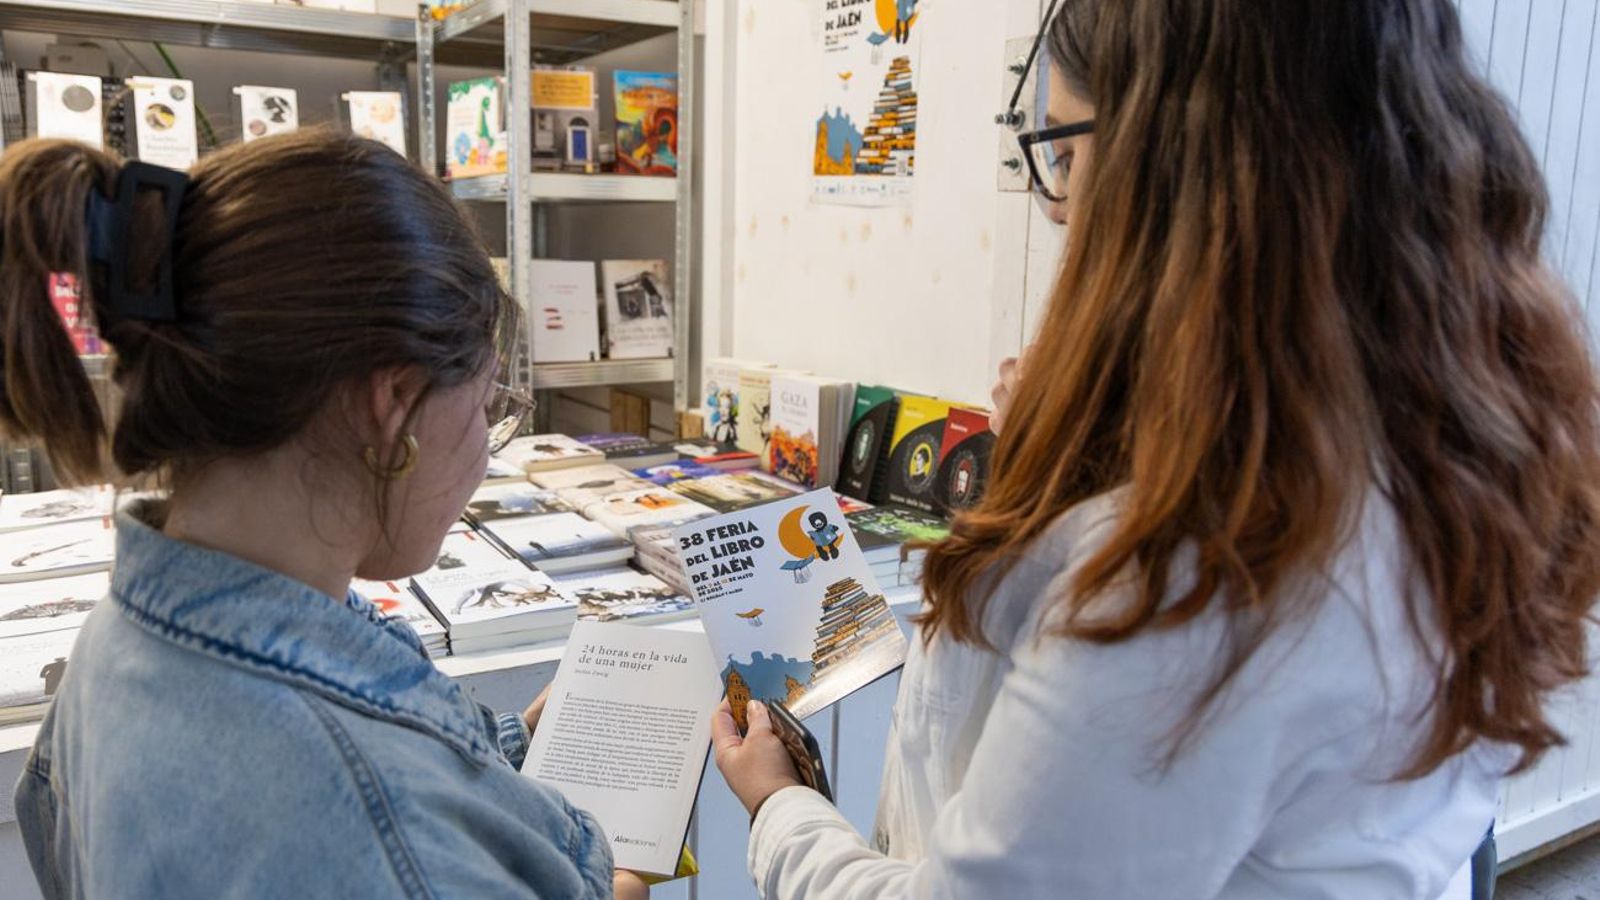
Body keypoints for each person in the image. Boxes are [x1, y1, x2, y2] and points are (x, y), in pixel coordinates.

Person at [712, 0, 1600, 897]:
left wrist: (780, 808)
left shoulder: (1181, 571)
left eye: (1064, 156)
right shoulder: (1450, 453)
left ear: (1176, 172)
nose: (1055, 212)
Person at [3, 131, 647, 899]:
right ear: (393, 406)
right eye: (486, 408)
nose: (484, 452)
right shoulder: (382, 831)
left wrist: (505, 743)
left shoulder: (117, 643)